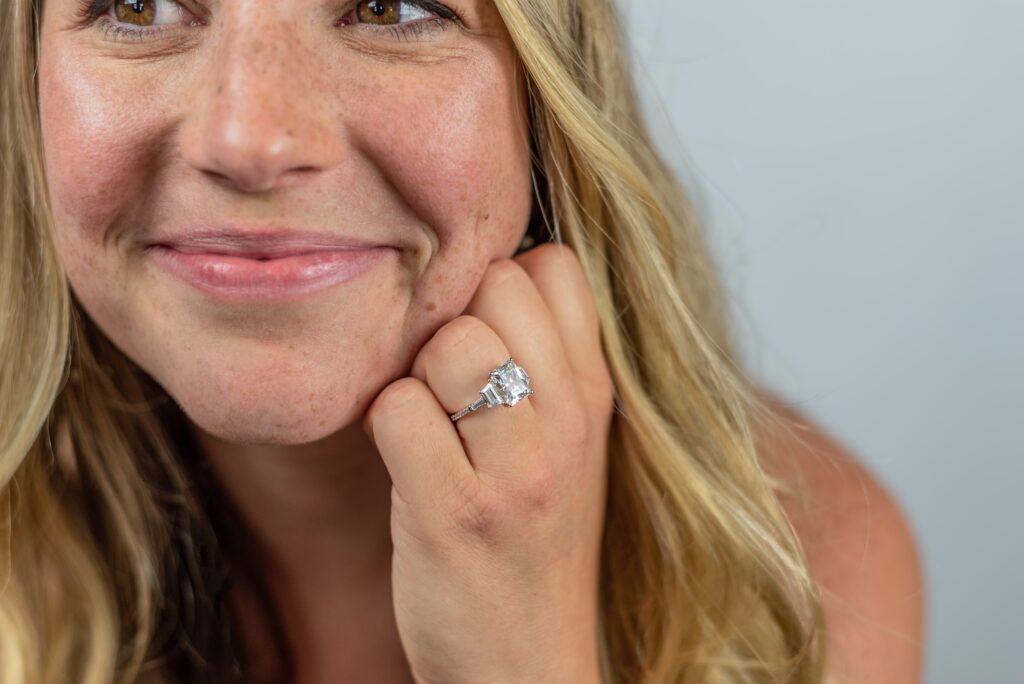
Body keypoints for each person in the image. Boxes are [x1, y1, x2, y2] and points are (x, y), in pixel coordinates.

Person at [0, 0, 924, 682]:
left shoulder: (797, 572)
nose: (251, 139)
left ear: (545, 103)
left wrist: (526, 664)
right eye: (139, 5)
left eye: (388, 8)